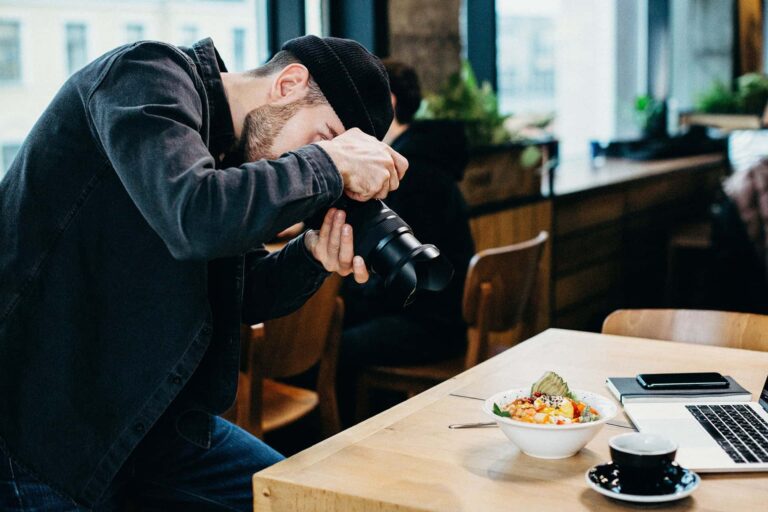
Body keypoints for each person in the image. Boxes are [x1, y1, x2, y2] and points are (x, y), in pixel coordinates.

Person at [0, 35, 407, 510]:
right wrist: (330, 164)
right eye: (324, 137)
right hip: (37, 430)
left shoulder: (229, 155)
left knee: (301, 502)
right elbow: (193, 217)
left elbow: (239, 294)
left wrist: (310, 255)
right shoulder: (145, 75)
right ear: (289, 84)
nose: (320, 161)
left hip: (145, 424)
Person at [338, 60, 475, 420]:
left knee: (330, 346)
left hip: (430, 325)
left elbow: (408, 279)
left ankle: (335, 447)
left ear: (390, 103)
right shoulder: (425, 158)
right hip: (441, 315)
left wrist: (348, 298)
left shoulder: (411, 174)